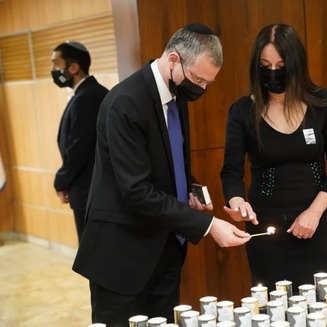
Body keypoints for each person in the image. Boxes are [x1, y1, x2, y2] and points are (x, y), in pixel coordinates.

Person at [72, 24, 251, 326]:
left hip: (165, 250)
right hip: (122, 256)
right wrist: (208, 226)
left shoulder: (176, 93)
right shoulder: (125, 102)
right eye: (197, 79)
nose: (202, 89)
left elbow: (168, 163)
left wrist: (190, 190)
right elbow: (137, 191)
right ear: (172, 60)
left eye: (208, 83)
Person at [220, 23, 327, 292]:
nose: (273, 72)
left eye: (281, 65)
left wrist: (313, 214)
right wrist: (237, 202)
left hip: (318, 223)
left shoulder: (322, 102)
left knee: (325, 306)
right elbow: (231, 172)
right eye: (266, 65)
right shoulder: (242, 112)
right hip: (267, 231)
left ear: (296, 64)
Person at [51, 41, 109, 242]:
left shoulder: (88, 97)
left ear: (73, 67)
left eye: (56, 64)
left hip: (90, 192)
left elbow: (78, 149)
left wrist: (61, 181)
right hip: (90, 191)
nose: (53, 70)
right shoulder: (87, 94)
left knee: (95, 257)